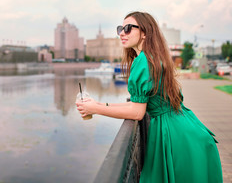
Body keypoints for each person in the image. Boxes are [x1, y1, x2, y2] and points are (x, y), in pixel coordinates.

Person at [76, 11, 223, 182]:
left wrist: (96, 109)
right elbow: (139, 104)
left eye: (128, 28)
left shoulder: (142, 62)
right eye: (120, 29)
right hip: (184, 128)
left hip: (173, 134)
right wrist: (100, 104)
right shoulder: (152, 58)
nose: (122, 33)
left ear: (145, 33)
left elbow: (137, 113)